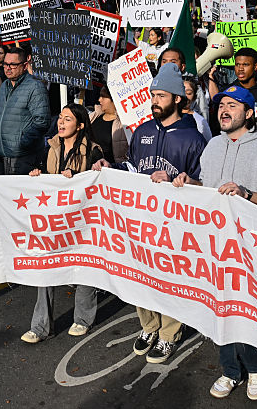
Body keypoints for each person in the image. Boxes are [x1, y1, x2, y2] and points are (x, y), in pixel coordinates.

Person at [172, 85, 257, 401]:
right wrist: (190, 183)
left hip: (251, 247)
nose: (224, 110)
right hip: (216, 245)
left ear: (249, 114)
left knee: (247, 311)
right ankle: (230, 371)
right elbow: (208, 189)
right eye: (221, 105)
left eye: (233, 105)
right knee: (221, 310)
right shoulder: (212, 145)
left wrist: (247, 194)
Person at [93, 61, 207, 364]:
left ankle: (170, 333)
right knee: (141, 276)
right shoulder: (142, 130)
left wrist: (177, 183)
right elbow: (132, 167)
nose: (154, 101)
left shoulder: (193, 138)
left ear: (177, 99)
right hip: (140, 221)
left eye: (160, 96)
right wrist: (111, 167)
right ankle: (149, 326)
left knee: (169, 279)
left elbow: (203, 184)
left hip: (173, 225)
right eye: (152, 95)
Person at [19, 104, 104, 343]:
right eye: (60, 118)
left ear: (80, 125)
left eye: (67, 119)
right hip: (55, 221)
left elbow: (98, 184)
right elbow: (40, 174)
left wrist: (77, 179)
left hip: (82, 222)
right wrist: (37, 174)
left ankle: (83, 319)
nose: (61, 122)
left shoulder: (93, 151)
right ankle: (40, 326)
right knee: (46, 266)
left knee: (85, 265)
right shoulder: (50, 146)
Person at [0, 47, 51, 174]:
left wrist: (22, 143)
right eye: (5, 64)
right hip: (4, 154)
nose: (8, 67)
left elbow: (42, 121)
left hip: (24, 157)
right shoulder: (4, 86)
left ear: (25, 65)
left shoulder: (35, 87)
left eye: (13, 64)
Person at [88, 86, 129, 166]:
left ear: (114, 99)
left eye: (103, 96)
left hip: (111, 170)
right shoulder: (93, 117)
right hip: (90, 169)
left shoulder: (123, 123)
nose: (99, 100)